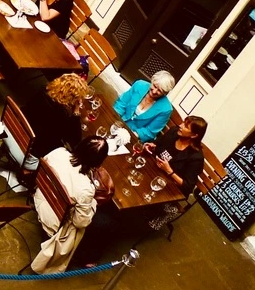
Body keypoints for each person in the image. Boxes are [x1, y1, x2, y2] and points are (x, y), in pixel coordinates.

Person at [31, 136, 109, 274]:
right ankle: (86, 258)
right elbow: (80, 222)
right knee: (107, 224)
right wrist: (93, 204)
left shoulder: (58, 152)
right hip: (55, 222)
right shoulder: (86, 188)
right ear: (98, 163)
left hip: (41, 198)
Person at [112, 71, 176, 143]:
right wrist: (114, 119)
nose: (154, 91)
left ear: (165, 93)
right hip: (118, 121)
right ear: (152, 80)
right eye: (155, 86)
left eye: (160, 91)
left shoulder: (166, 109)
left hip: (132, 135)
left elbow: (149, 131)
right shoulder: (139, 85)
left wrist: (129, 135)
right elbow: (121, 103)